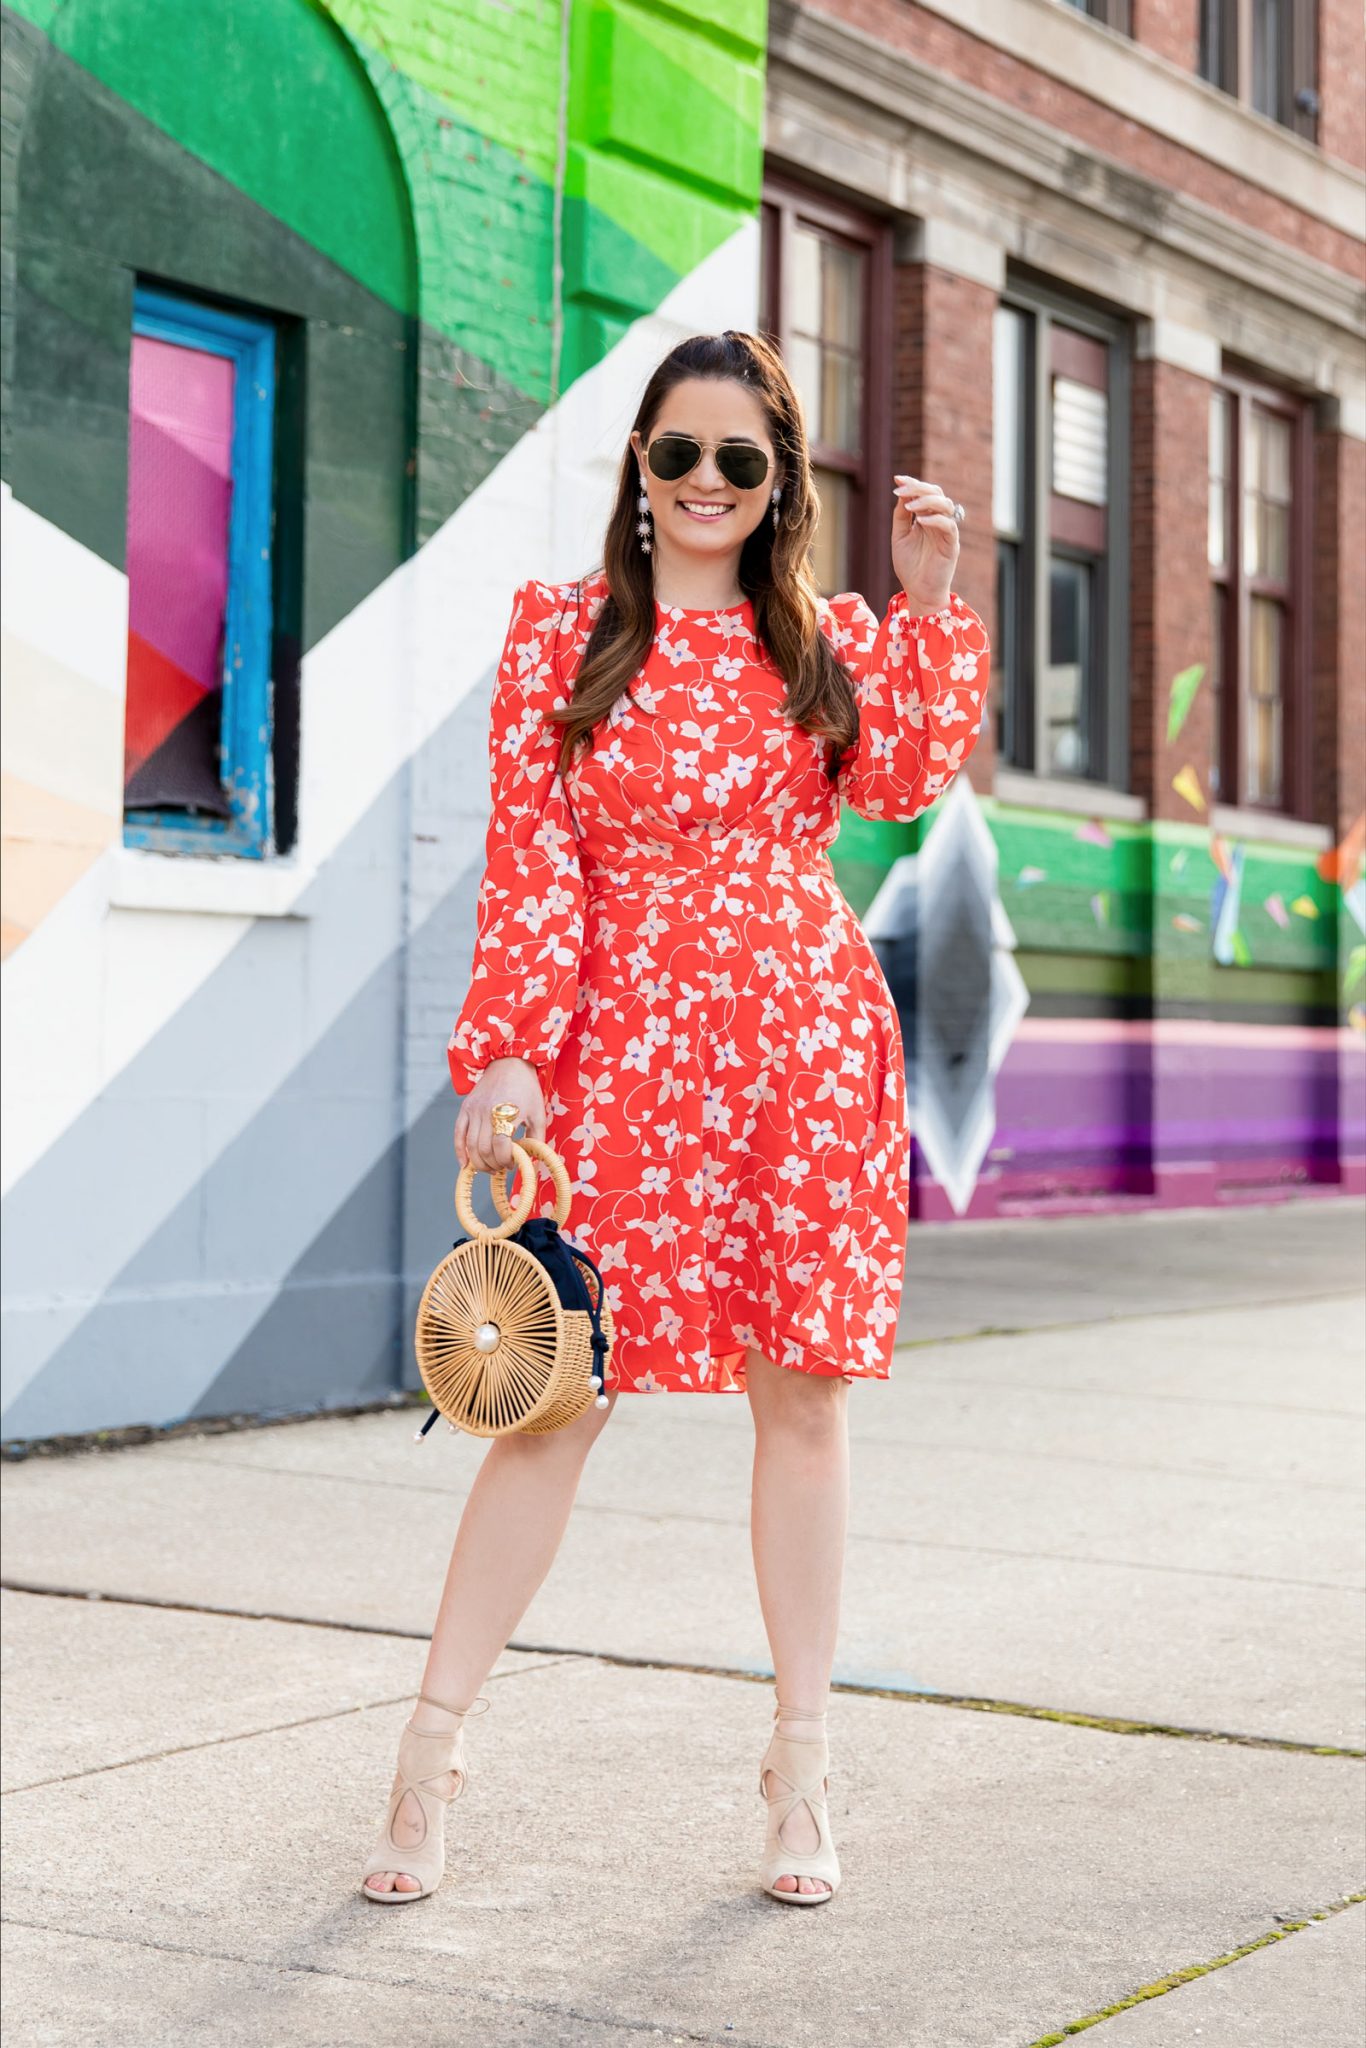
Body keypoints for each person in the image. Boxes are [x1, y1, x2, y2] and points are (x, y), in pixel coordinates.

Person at [360, 329, 989, 1908]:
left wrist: (922, 608)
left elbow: (904, 782)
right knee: (554, 1394)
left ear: (777, 486)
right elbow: (532, 862)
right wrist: (508, 1054)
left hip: (797, 1042)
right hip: (623, 1053)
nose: (704, 482)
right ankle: (427, 1758)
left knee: (804, 1398)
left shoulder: (823, 644)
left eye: (740, 461)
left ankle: (798, 1774)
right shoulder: (561, 637)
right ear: (636, 471)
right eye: (676, 453)